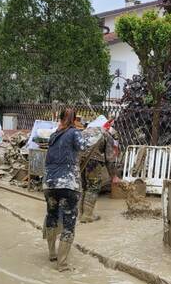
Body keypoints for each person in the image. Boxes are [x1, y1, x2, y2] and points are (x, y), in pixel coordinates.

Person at [43, 108, 88, 272]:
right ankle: (62, 264)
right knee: (69, 222)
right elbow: (84, 146)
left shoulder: (53, 136)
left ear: (60, 119)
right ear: (75, 119)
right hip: (68, 184)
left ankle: (52, 253)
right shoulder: (75, 133)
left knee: (52, 215)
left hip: (49, 184)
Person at [78, 123, 121, 223]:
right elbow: (110, 159)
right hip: (93, 161)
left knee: (84, 186)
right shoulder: (107, 136)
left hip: (79, 160)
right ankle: (87, 215)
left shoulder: (86, 131)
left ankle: (81, 213)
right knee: (93, 186)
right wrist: (114, 176)